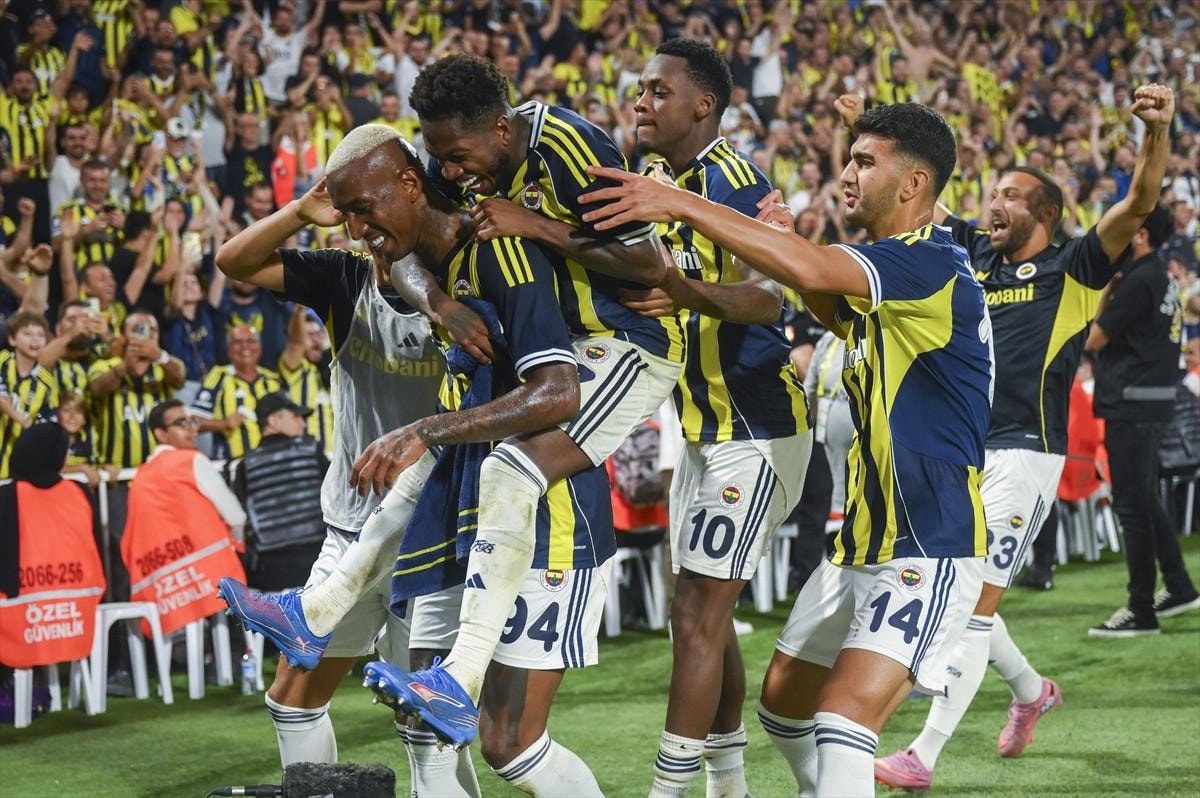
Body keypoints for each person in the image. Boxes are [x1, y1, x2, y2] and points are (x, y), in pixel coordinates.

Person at [579, 102, 993, 797]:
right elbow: (824, 293)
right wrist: (778, 241)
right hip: (863, 540)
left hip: (929, 542)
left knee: (841, 721)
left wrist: (678, 203)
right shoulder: (896, 274)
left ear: (914, 183)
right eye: (849, 159)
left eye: (865, 162)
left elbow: (811, 269)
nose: (846, 174)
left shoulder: (927, 263)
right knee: (783, 707)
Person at [872, 84, 1177, 789]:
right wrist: (867, 130)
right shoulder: (977, 255)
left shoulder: (1076, 266)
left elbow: (1139, 202)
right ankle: (1032, 692)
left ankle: (923, 755)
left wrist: (1156, 131)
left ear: (1044, 214)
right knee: (967, 589)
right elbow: (911, 196)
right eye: (992, 193)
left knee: (972, 607)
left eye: (1010, 194)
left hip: (1027, 452)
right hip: (965, 451)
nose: (993, 203)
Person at [209, 132, 448, 774]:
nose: (362, 228)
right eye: (352, 214)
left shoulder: (459, 282)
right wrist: (298, 211)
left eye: (370, 209)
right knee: (292, 696)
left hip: (431, 531)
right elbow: (233, 262)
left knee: (425, 719)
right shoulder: (340, 277)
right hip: (352, 526)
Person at [616, 39, 813, 798]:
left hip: (757, 428)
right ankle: (729, 783)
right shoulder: (659, 180)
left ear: (703, 105)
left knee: (700, 612)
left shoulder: (740, 184)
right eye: (640, 89)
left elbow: (770, 298)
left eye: (657, 91)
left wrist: (684, 292)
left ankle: (669, 790)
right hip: (701, 430)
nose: (641, 102)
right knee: (697, 613)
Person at [1085, 204, 1199, 635]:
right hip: (1152, 399)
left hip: (1131, 402)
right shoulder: (1161, 275)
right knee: (1146, 499)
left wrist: (1105, 290)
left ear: (1140, 234)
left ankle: (1141, 609)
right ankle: (1179, 586)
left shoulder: (1137, 280)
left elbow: (1093, 339)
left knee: (1132, 507)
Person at [232, 391, 327, 592]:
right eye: (295, 417)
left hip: (272, 574)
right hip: (321, 562)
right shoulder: (311, 450)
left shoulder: (245, 466)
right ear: (273, 421)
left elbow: (241, 522)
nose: (303, 423)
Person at [192, 324, 283, 461]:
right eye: (238, 342)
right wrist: (225, 424)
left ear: (260, 348)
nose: (245, 347)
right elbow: (194, 421)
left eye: (251, 341)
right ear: (229, 350)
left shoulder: (272, 380)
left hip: (274, 459)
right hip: (233, 463)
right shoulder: (218, 376)